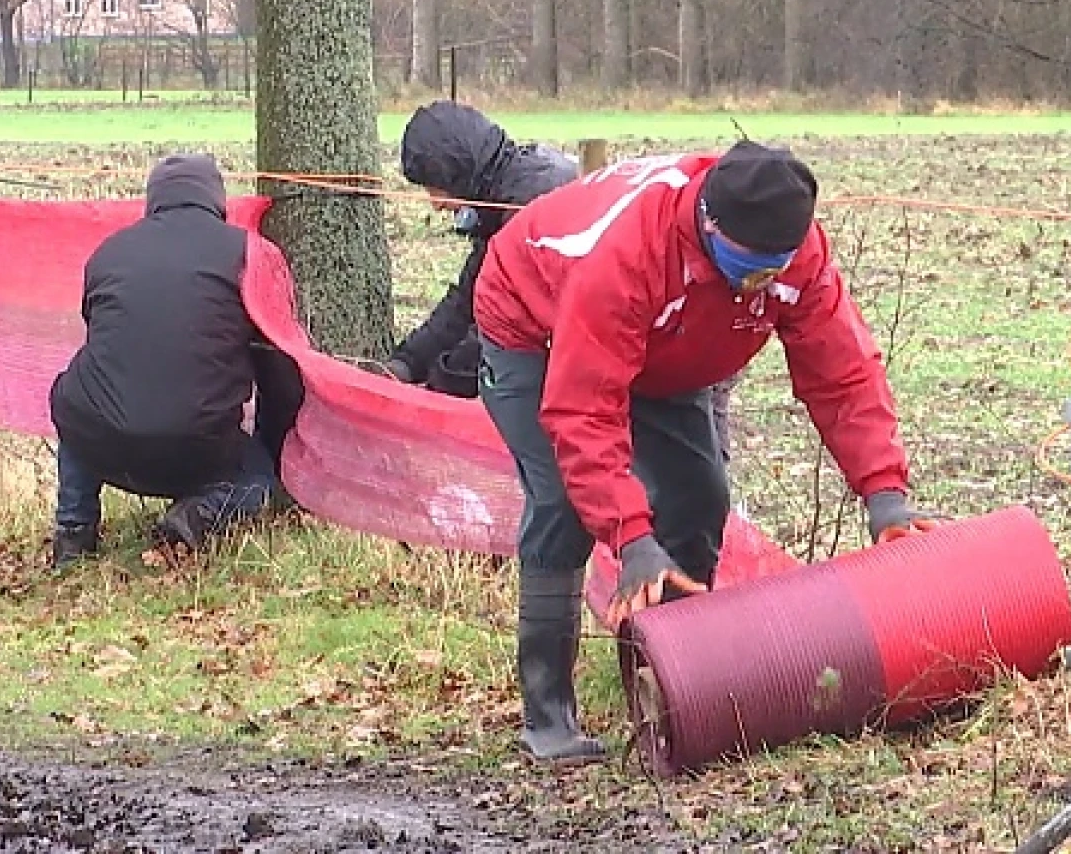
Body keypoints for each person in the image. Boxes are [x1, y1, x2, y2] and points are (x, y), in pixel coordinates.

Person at [470, 140, 940, 763]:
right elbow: (584, 411)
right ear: (708, 223)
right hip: (534, 324)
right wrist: (631, 538)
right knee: (563, 501)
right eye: (750, 267)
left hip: (671, 348)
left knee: (700, 494)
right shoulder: (627, 255)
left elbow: (843, 372)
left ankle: (672, 684)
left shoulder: (796, 259)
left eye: (777, 268)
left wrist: (885, 495)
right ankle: (548, 715)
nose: (763, 282)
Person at [46, 153, 299, 570]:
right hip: (196, 449)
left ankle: (74, 530)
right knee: (258, 480)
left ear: (154, 199)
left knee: (78, 404)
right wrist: (276, 447)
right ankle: (197, 512)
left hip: (101, 442)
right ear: (216, 200)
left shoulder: (109, 252)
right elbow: (278, 368)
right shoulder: (249, 255)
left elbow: (103, 340)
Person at [383, 101, 580, 398]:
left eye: (434, 187)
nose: (435, 204)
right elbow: (468, 299)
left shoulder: (524, 207)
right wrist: (406, 363)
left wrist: (436, 387)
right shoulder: (501, 190)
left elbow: (499, 329)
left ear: (455, 172)